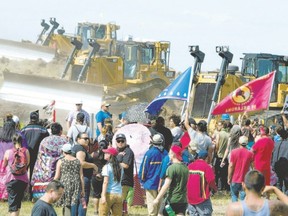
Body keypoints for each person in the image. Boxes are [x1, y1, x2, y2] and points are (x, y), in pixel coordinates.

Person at [31, 122, 67, 199]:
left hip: (45, 167)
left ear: (51, 131)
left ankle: (40, 195)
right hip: (59, 167)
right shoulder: (64, 141)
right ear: (60, 131)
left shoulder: (45, 140)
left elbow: (40, 155)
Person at [20, 110, 49, 199]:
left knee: (23, 173)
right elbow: (47, 142)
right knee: (35, 175)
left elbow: (20, 142)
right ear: (37, 119)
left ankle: (22, 194)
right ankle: (33, 194)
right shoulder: (43, 130)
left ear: (30, 119)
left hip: (25, 155)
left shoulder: (24, 130)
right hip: (38, 156)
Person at [153, 145, 189, 216]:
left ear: (173, 155)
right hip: (183, 199)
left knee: (160, 213)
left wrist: (157, 199)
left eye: (169, 153)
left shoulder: (171, 168)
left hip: (172, 199)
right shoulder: (186, 168)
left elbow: (166, 185)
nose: (168, 155)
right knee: (180, 213)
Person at [139, 134, 168, 216]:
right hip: (163, 184)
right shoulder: (166, 153)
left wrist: (142, 180)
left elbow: (144, 169)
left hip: (150, 183)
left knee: (152, 209)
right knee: (160, 210)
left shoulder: (149, 153)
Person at [54, 143, 84, 216]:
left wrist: (52, 185)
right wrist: (83, 189)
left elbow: (57, 176)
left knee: (66, 204)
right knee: (73, 203)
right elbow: (81, 176)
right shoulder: (78, 161)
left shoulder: (61, 161)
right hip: (76, 184)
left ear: (63, 152)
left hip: (65, 184)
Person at [3, 133, 30, 216]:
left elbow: (4, 165)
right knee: (17, 204)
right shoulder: (26, 151)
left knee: (13, 206)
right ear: (21, 141)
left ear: (13, 141)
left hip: (11, 180)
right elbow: (27, 164)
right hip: (23, 180)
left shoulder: (8, 152)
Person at [72, 132, 98, 216]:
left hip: (77, 178)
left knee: (76, 201)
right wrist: (93, 165)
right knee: (83, 201)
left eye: (88, 138)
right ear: (78, 139)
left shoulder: (76, 148)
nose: (87, 140)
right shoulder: (80, 149)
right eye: (85, 138)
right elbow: (81, 163)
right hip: (83, 178)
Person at [187, 150, 217, 216]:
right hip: (202, 197)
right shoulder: (206, 167)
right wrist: (215, 189)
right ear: (207, 158)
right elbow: (211, 180)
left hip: (190, 196)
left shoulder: (190, 166)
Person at [227, 136, 254, 202]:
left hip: (234, 178)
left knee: (234, 195)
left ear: (239, 142)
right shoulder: (250, 153)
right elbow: (253, 167)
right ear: (247, 143)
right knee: (243, 198)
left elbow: (231, 166)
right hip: (245, 179)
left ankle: (235, 211)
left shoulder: (233, 152)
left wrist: (229, 177)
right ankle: (242, 211)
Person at [99, 147, 123, 216]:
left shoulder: (107, 167)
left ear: (110, 155)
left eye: (106, 153)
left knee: (103, 214)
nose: (104, 154)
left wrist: (103, 196)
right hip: (119, 194)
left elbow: (105, 182)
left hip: (109, 194)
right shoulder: (120, 167)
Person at [115, 133, 135, 215]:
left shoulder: (128, 151)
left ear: (125, 141)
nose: (120, 142)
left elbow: (125, 165)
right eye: (118, 141)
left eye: (122, 141)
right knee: (117, 205)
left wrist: (115, 162)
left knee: (121, 205)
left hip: (124, 182)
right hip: (116, 182)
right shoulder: (117, 151)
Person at [0, 118, 17, 200]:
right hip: (11, 161)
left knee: (1, 179)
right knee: (9, 179)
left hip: (1, 160)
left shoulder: (1, 137)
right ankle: (7, 195)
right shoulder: (14, 138)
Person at [91, 139, 109, 215]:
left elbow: (90, 163)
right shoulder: (107, 155)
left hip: (95, 176)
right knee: (104, 194)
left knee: (96, 194)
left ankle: (95, 211)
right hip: (105, 176)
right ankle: (105, 211)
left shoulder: (93, 154)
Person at [271, 126, 288, 194]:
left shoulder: (276, 144)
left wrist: (273, 166)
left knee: (279, 185)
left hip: (278, 166)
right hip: (285, 167)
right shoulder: (277, 144)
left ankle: (280, 199)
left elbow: (274, 156)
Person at [214, 120, 230, 192]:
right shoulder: (228, 134)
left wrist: (216, 151)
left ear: (222, 126)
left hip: (219, 155)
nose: (218, 126)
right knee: (224, 173)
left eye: (219, 125)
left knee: (217, 173)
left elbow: (217, 144)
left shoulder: (219, 134)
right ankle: (225, 187)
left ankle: (217, 187)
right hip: (225, 157)